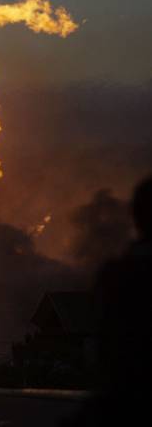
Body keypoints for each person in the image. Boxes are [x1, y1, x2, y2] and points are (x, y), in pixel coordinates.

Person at [84, 176, 152, 426]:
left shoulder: (119, 273)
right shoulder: (120, 272)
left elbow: (105, 340)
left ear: (136, 219)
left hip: (130, 390)